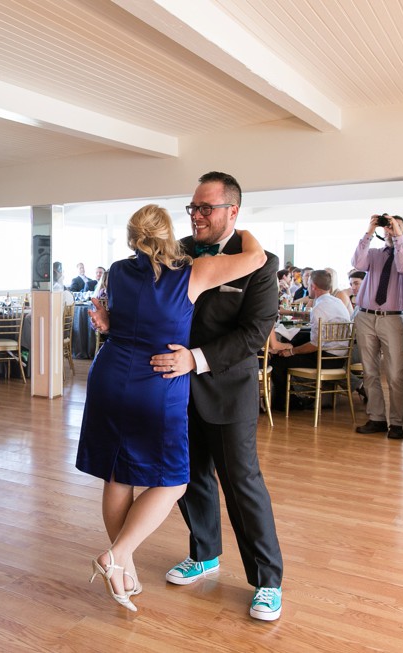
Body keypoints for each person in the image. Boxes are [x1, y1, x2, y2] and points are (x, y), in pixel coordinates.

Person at [76, 203, 266, 613]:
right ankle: (117, 555)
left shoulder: (118, 271)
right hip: (156, 382)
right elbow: (256, 258)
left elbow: (121, 317)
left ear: (133, 237)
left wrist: (108, 324)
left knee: (117, 473)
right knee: (174, 482)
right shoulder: (192, 273)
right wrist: (242, 228)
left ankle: (123, 569)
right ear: (169, 234)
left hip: (109, 375)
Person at [140, 171, 284, 621]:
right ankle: (204, 554)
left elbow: (255, 333)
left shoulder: (261, 261)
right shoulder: (177, 251)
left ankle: (267, 581)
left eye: (206, 208)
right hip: (174, 389)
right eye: (194, 208)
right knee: (189, 476)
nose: (197, 216)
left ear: (232, 212)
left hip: (226, 389)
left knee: (242, 484)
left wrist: (196, 358)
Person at [351, 213, 403, 440]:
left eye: (395, 228)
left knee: (395, 374)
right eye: (386, 228)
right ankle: (376, 418)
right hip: (366, 316)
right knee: (370, 371)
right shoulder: (374, 254)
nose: (389, 231)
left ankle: (396, 423)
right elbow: (357, 262)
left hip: (393, 318)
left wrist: (397, 237)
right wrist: (370, 230)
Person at [268, 270, 351, 410]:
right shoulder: (336, 302)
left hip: (325, 359)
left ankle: (287, 403)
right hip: (339, 357)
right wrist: (292, 313)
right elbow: (310, 317)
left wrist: (292, 351)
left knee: (278, 362)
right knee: (299, 338)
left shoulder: (320, 307)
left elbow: (314, 345)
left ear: (313, 286)